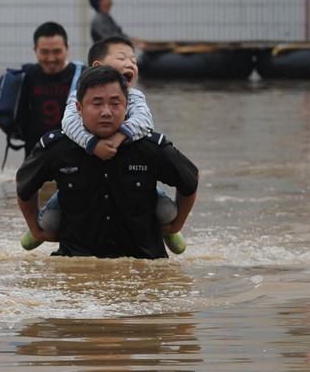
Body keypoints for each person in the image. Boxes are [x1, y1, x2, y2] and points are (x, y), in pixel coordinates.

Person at [16, 65, 197, 259]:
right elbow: (24, 185)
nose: (106, 112)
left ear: (127, 105)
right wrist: (36, 229)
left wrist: (176, 225)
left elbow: (189, 180)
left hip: (144, 264)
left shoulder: (149, 147)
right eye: (97, 103)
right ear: (79, 108)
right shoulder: (58, 148)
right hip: (75, 267)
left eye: (115, 103)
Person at [0, 22, 84, 156]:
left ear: (67, 49)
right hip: (35, 157)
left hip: (75, 156)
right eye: (44, 52)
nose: (51, 58)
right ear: (35, 50)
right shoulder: (25, 75)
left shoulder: (83, 77)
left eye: (57, 51)